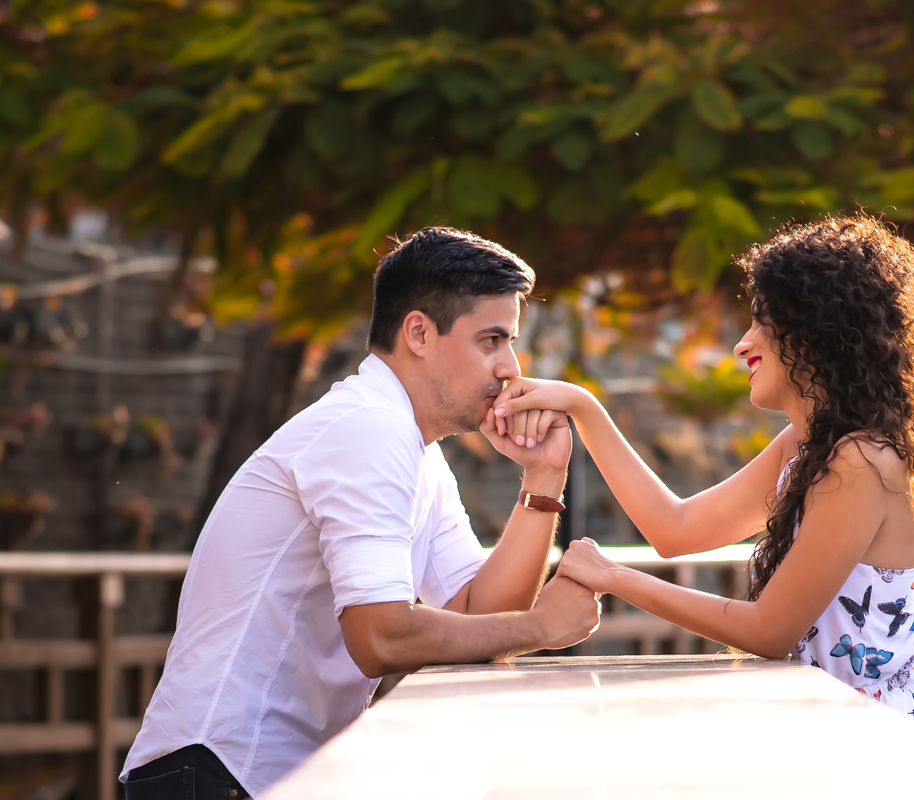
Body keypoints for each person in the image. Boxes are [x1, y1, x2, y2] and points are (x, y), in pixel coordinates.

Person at [121, 227, 601, 799]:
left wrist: (543, 478)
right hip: (220, 770)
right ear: (419, 332)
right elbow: (381, 637)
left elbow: (480, 612)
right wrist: (542, 628)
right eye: (491, 340)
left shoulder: (414, 447)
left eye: (510, 342)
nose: (510, 368)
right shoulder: (367, 429)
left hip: (262, 774)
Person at [492, 215, 914, 748]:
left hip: (892, 755)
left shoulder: (859, 460)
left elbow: (768, 630)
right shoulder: (804, 449)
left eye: (762, 322)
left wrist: (614, 576)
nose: (742, 345)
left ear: (815, 333)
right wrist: (583, 408)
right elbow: (675, 528)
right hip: (845, 741)